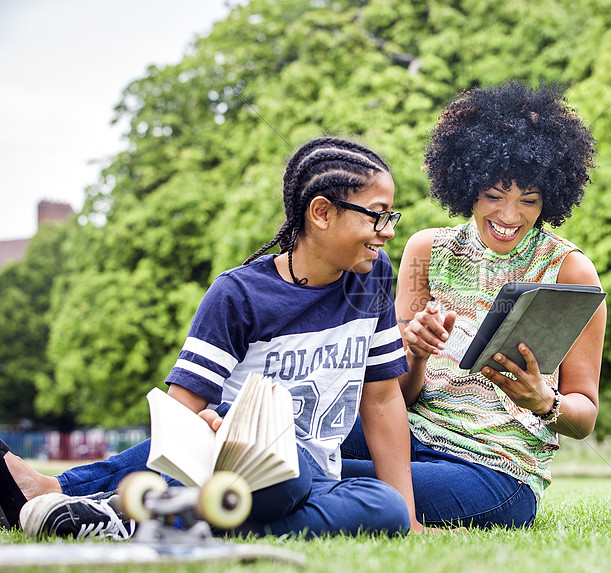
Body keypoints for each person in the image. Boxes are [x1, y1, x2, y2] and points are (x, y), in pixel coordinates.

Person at [0, 137, 426, 539]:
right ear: (321, 212)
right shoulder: (239, 294)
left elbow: (384, 399)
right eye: (377, 214)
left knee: (384, 507)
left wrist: (409, 520)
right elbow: (180, 415)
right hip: (242, 470)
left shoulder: (373, 278)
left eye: (391, 216)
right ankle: (140, 505)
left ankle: (163, 520)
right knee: (287, 466)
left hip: (315, 479)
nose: (387, 230)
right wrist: (210, 432)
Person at [341, 82, 605, 528]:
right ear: (468, 186)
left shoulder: (570, 271)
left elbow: (585, 418)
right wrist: (416, 353)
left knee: (316, 468)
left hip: (493, 472)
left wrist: (545, 401)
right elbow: (395, 396)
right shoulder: (427, 251)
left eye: (529, 200)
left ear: (551, 199)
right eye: (495, 195)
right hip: (407, 436)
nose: (509, 215)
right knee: (299, 430)